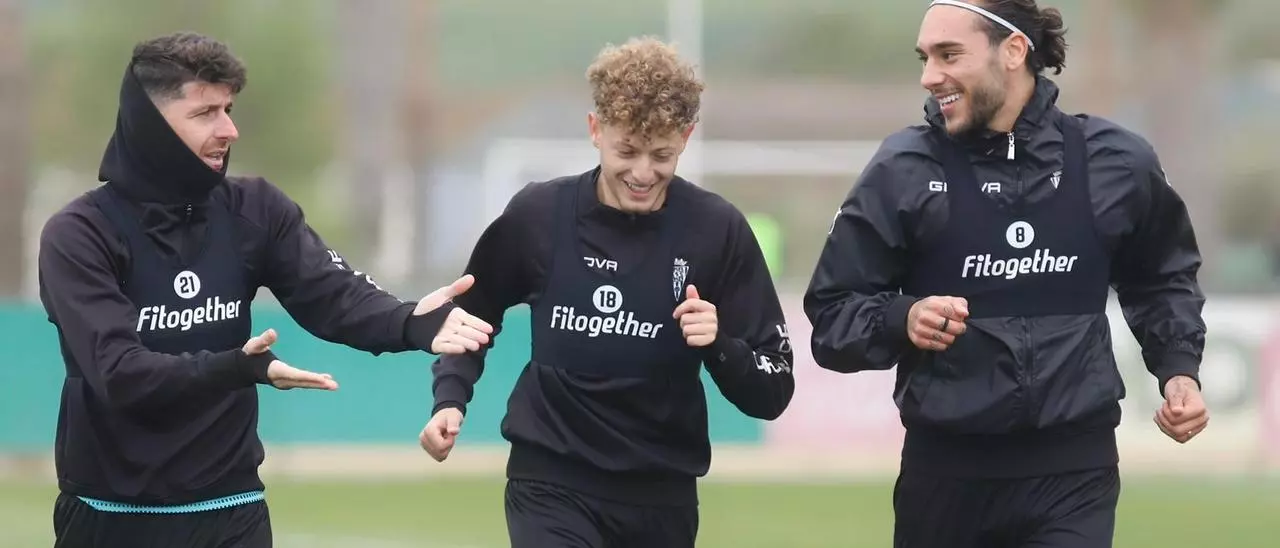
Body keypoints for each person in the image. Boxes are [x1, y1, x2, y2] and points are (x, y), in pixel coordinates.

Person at [37, 32, 493, 548]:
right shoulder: (80, 234)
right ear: (150, 123)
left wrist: (408, 320)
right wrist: (237, 367)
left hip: (231, 511)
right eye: (205, 113)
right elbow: (118, 373)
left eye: (229, 109)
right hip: (109, 515)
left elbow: (334, 296)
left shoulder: (255, 209)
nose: (229, 129)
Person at [803, 1, 1209, 546]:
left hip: (1074, 476)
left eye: (949, 55)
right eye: (925, 58)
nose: (929, 76)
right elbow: (833, 314)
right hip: (945, 479)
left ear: (1014, 51)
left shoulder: (1115, 161)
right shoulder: (902, 169)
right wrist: (903, 317)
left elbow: (1161, 278)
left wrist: (1179, 371)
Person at [417, 36, 795, 548]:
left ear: (686, 137)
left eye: (662, 155)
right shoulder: (538, 215)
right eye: (627, 151)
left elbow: (774, 390)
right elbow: (471, 313)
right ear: (596, 130)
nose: (643, 173)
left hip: (662, 498)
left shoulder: (717, 230)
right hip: (549, 484)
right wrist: (450, 399)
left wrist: (719, 345)